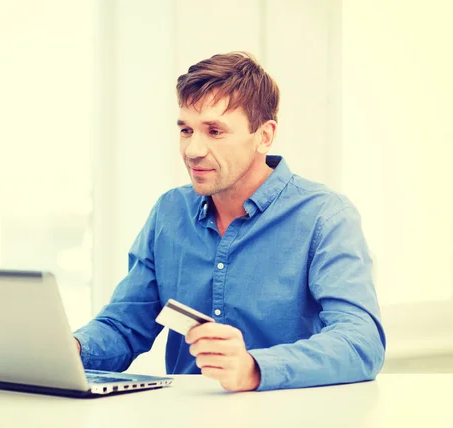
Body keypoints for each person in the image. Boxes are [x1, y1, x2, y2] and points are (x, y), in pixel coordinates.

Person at [73, 51, 386, 392]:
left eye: (215, 131)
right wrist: (70, 350)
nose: (193, 149)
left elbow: (360, 342)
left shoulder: (325, 217)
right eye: (186, 129)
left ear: (264, 136)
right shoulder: (170, 212)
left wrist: (254, 369)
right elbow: (124, 326)